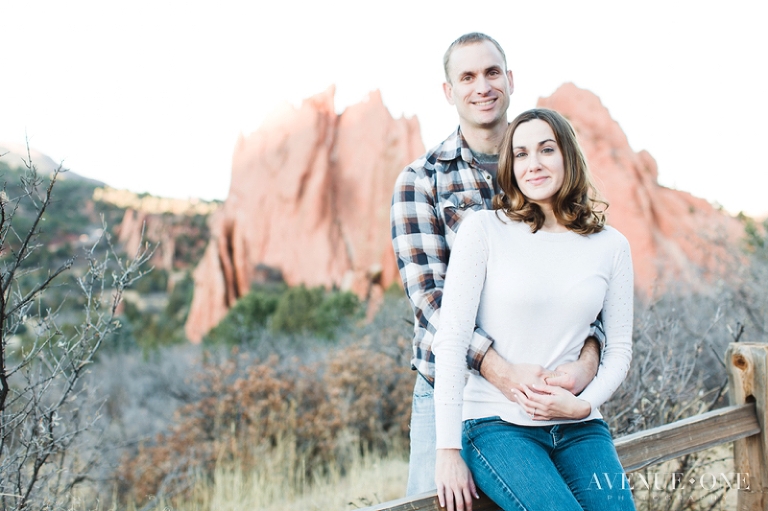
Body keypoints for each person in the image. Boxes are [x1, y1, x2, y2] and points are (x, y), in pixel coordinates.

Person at [390, 32, 604, 496]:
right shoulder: (421, 181)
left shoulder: (549, 169)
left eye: (491, 73)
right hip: (452, 392)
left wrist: (587, 365)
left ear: (510, 80)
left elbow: (591, 281)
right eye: (466, 76)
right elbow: (431, 301)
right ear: (449, 92)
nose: (481, 86)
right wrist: (503, 372)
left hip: (549, 391)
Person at [433, 108, 635, 511]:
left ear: (568, 158)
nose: (534, 164)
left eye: (546, 149)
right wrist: (447, 451)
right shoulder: (484, 230)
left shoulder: (611, 245)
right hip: (496, 425)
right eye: (521, 154)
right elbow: (452, 340)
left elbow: (619, 349)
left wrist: (584, 403)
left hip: (580, 425)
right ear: (510, 165)